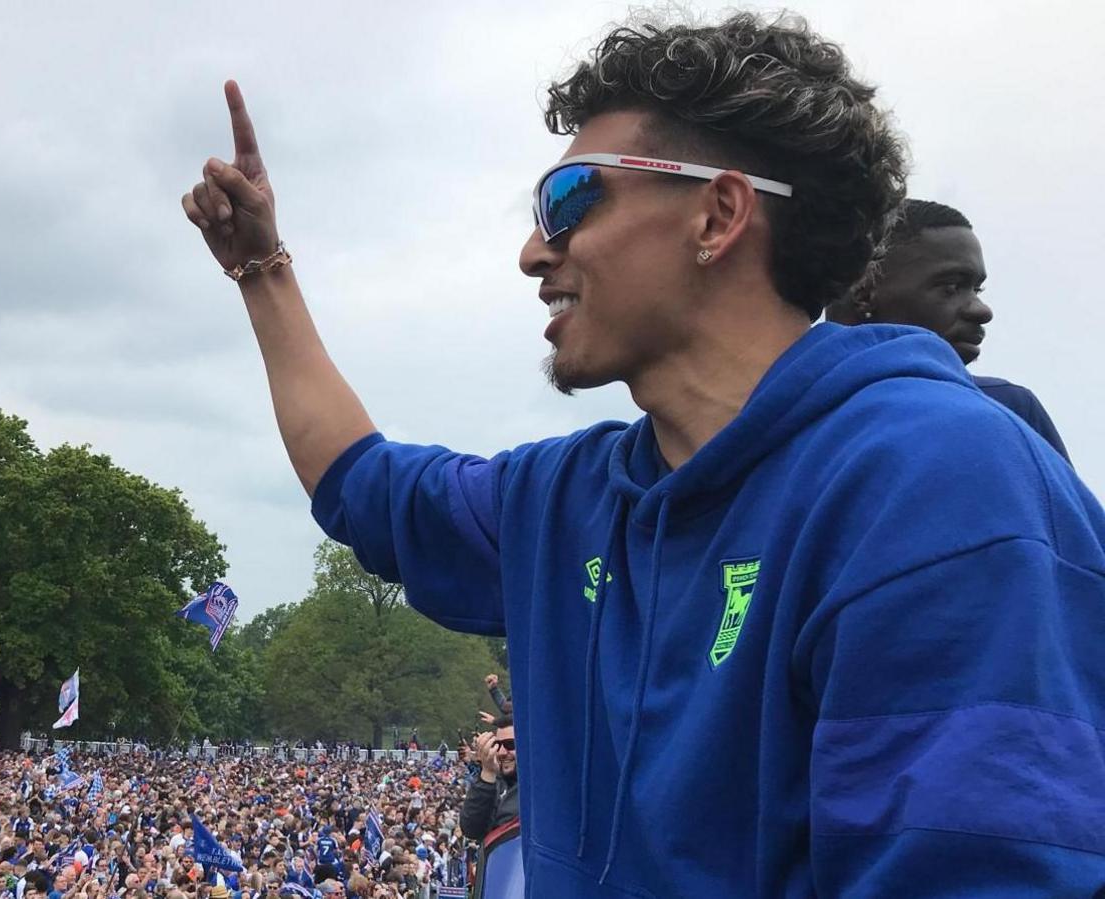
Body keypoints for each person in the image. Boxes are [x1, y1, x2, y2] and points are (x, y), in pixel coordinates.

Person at [181, 11, 1105, 897]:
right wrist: (261, 271)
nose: (533, 251)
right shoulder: (567, 497)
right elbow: (363, 483)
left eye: (570, 198)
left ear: (719, 215)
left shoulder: (940, 486)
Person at [826, 198, 1070, 460]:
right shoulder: (790, 417)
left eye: (976, 289)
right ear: (864, 293)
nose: (982, 311)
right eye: (951, 287)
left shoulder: (1011, 410)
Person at [458, 717, 518, 842]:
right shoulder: (495, 781)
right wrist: (488, 772)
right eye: (497, 745)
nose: (501, 752)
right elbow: (471, 829)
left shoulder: (541, 785)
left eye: (510, 744)